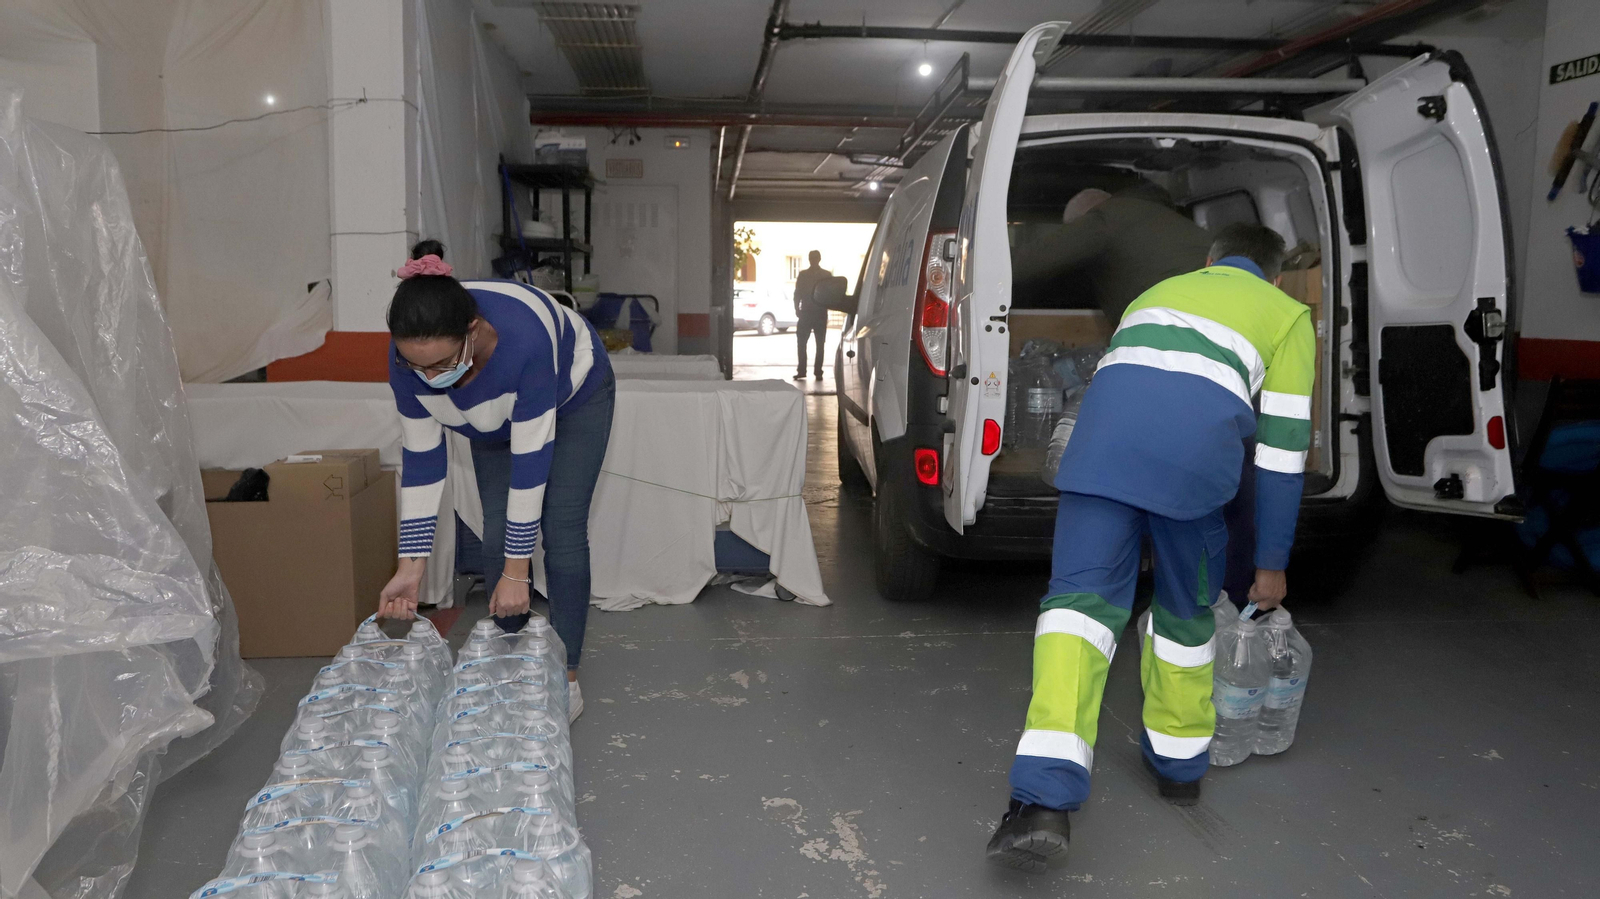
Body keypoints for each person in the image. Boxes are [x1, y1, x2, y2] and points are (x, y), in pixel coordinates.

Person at [986, 224, 1314, 872]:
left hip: (1097, 458)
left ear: (1210, 262)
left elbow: (1124, 388)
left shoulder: (1154, 293)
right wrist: (1271, 565)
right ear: (1274, 277)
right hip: (1192, 477)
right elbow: (1280, 457)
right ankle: (1179, 766)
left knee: (1075, 613)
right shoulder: (1287, 315)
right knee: (1185, 619)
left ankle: (1042, 801)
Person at [376, 240, 615, 723]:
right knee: (499, 524)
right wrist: (411, 565)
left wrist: (517, 571)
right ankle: (508, 659)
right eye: (415, 366)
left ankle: (565, 676)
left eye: (441, 365)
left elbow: (531, 463)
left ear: (473, 330)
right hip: (490, 417)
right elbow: (423, 461)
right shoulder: (410, 361)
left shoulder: (523, 342)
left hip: (572, 398)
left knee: (561, 527)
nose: (428, 377)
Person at [1010, 183, 1214, 322]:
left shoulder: (1104, 219)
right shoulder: (1156, 215)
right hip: (1222, 309)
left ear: (1083, 221)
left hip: (1180, 319)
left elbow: (1028, 262)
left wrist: (983, 262)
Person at [792, 250, 832, 380]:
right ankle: (807, 370)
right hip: (809, 313)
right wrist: (797, 308)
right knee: (804, 342)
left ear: (818, 259)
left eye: (814, 258)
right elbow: (797, 293)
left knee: (818, 343)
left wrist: (797, 308)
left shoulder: (825, 275)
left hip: (817, 313)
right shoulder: (807, 275)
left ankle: (816, 371)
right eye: (811, 258)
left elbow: (797, 293)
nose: (813, 260)